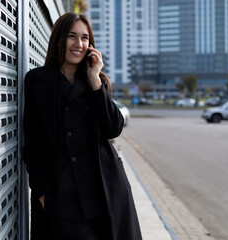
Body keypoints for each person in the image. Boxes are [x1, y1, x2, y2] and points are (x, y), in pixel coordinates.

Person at [23, 12, 142, 240]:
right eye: (72, 36)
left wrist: (96, 80)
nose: (79, 44)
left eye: (85, 38)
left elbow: (113, 129)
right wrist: (41, 193)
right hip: (60, 198)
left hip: (104, 194)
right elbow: (32, 143)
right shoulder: (37, 81)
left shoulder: (97, 82)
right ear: (59, 39)